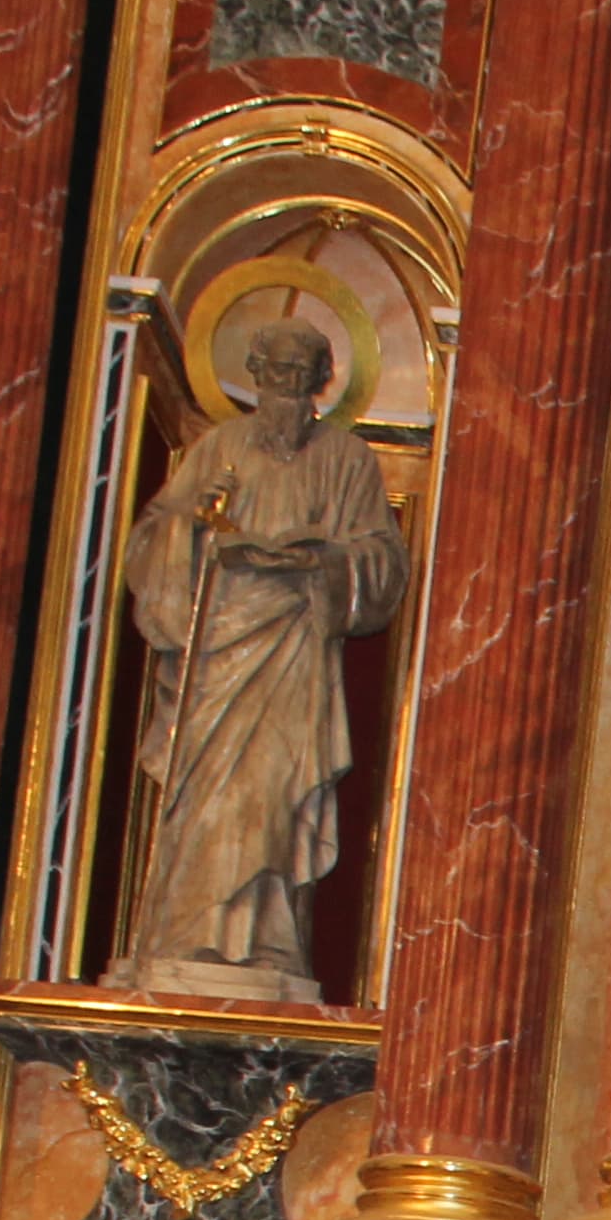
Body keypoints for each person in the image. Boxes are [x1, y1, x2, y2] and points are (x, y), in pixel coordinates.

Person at [114, 319, 407, 1005]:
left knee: (274, 792)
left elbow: (383, 563)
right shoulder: (216, 448)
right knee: (206, 795)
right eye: (277, 371)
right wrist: (194, 532)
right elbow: (152, 539)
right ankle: (185, 932)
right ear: (255, 374)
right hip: (219, 647)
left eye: (302, 374)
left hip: (294, 648)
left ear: (321, 381)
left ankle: (268, 938)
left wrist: (323, 561)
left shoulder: (348, 461)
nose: (288, 385)